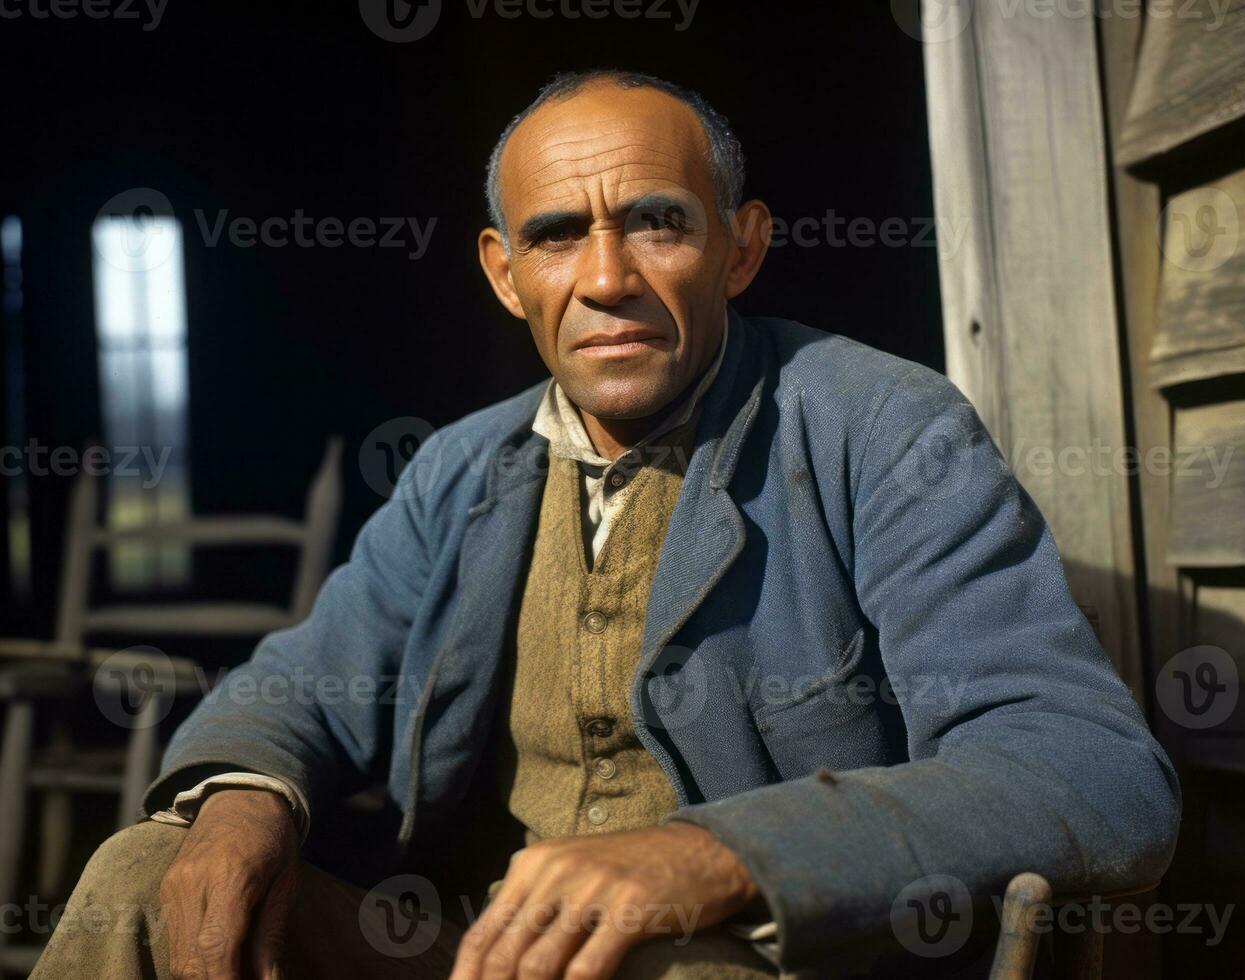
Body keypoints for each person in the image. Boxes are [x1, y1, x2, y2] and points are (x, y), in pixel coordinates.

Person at [34, 69, 1180, 980]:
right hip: (477, 948)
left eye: (654, 223)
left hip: (739, 961)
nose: (604, 277)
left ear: (740, 245)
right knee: (147, 866)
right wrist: (240, 801)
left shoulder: (880, 428)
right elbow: (305, 678)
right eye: (553, 236)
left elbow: (1092, 775)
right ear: (503, 273)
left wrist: (717, 853)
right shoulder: (462, 467)